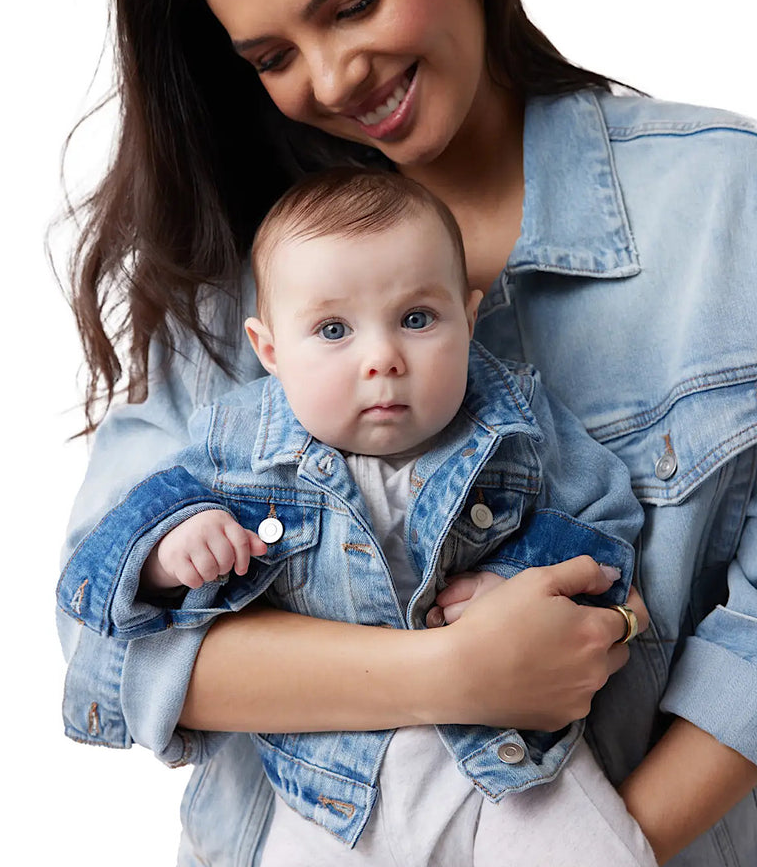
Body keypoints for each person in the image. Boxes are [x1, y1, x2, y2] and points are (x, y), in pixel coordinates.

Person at [56, 0, 757, 865]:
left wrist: (604, 846)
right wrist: (455, 671)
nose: (335, 78)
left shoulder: (727, 200)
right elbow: (111, 639)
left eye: (356, 2)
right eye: (271, 55)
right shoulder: (237, 269)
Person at [59, 167, 652, 863]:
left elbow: (607, 522)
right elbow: (113, 561)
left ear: (467, 316)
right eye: (334, 329)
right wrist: (172, 548)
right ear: (270, 351)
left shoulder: (515, 423)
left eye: (417, 319)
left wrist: (523, 586)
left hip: (507, 765)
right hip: (326, 792)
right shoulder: (239, 446)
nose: (383, 359)